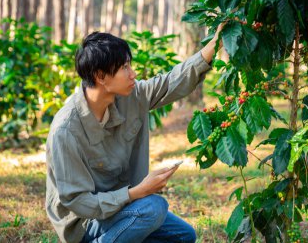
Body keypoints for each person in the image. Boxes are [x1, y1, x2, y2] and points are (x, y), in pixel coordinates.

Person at [45, 24, 223, 243]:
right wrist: (136, 192)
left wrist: (211, 49)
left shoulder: (131, 96)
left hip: (123, 209)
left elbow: (169, 83)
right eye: (125, 68)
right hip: (84, 223)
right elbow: (78, 202)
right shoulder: (65, 130)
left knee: (184, 236)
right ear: (101, 76)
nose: (133, 74)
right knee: (154, 207)